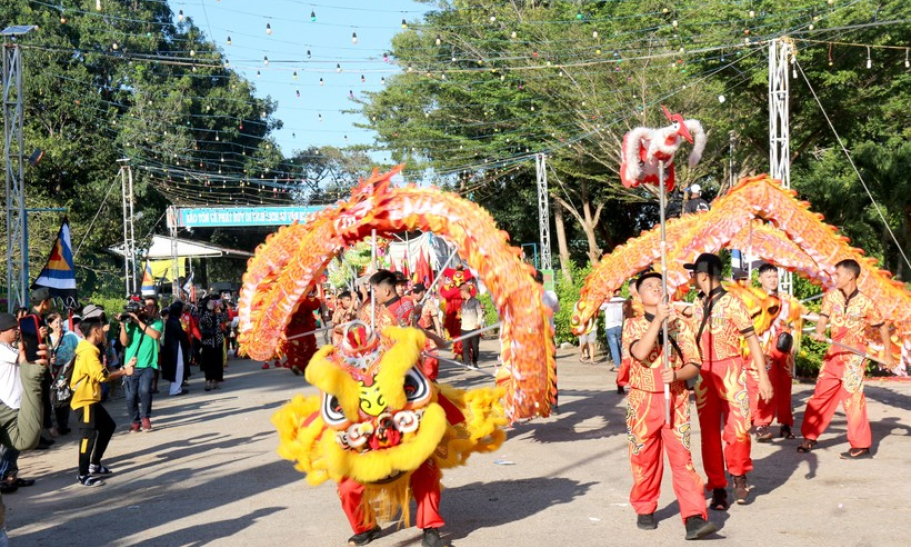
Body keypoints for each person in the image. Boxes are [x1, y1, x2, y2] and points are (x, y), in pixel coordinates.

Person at [622, 273, 717, 540]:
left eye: (659, 286)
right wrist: (659, 321)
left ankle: (695, 516)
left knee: (682, 460)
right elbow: (640, 353)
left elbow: (694, 364)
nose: (655, 289)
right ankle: (645, 507)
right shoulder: (632, 324)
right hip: (642, 401)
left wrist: (676, 375)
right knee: (644, 459)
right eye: (649, 287)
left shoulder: (682, 326)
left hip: (675, 400)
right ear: (639, 297)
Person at [685, 253, 772, 509]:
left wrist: (764, 377)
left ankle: (738, 474)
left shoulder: (734, 303)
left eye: (693, 275)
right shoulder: (697, 304)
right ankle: (718, 485)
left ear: (702, 276)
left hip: (731, 371)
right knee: (709, 433)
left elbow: (752, 339)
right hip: (703, 375)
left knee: (738, 428)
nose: (692, 280)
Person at [798, 259, 895, 459]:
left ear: (850, 276)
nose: (835, 278)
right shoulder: (831, 296)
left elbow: (883, 327)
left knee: (852, 401)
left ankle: (861, 446)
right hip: (833, 353)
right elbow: (823, 319)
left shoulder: (866, 302)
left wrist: (887, 356)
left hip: (854, 356)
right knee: (819, 396)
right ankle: (809, 435)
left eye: (838, 275)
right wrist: (818, 332)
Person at [0, 312, 48, 540]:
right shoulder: (3, 349)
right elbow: (21, 358)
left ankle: (7, 474)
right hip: (10, 404)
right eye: (12, 329)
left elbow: (25, 360)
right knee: (10, 451)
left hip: (11, 407)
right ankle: (6, 474)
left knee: (20, 444)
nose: (16, 331)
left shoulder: (10, 349)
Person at [71, 317, 135, 486]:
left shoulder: (88, 349)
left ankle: (94, 464)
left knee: (107, 426)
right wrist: (123, 372)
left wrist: (123, 368)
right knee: (88, 435)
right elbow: (102, 376)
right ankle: (83, 473)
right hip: (84, 399)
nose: (104, 331)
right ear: (95, 331)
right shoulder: (88, 351)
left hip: (90, 398)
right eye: (101, 328)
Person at [753, 264, 801, 441]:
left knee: (785, 387)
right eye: (768, 276)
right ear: (760, 279)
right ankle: (761, 424)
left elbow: (797, 319)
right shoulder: (755, 299)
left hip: (784, 346)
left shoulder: (787, 299)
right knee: (767, 386)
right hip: (766, 349)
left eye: (775, 276)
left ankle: (786, 424)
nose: (772, 279)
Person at [119, 295, 162, 432]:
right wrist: (123, 326)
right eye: (145, 305)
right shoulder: (129, 322)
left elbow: (155, 335)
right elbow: (124, 343)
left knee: (145, 391)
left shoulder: (156, 322)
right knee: (130, 396)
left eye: (150, 306)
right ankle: (134, 421)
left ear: (155, 309)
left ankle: (145, 417)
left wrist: (138, 321)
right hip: (130, 366)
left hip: (148, 364)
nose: (146, 308)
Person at [46, 312, 79, 436]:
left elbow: (79, 348)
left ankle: (63, 424)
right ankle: (61, 423)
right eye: (56, 322)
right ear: (50, 325)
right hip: (56, 371)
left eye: (60, 321)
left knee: (67, 394)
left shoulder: (70, 335)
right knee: (59, 395)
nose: (59, 324)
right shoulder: (48, 338)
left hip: (70, 368)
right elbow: (47, 353)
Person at [161, 301, 190, 396]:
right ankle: (175, 389)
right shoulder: (174, 321)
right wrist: (186, 341)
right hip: (176, 347)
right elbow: (180, 334)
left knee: (177, 367)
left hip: (173, 347)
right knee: (178, 367)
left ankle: (177, 387)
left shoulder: (171, 320)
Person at [199, 299, 225, 391]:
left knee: (217, 363)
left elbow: (225, 318)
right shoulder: (204, 316)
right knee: (208, 363)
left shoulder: (218, 315)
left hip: (218, 342)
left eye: (213, 303)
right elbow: (202, 326)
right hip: (208, 343)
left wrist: (222, 308)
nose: (212, 304)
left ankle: (216, 382)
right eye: (210, 303)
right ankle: (208, 382)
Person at [459, 284, 484, 368]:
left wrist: (478, 323)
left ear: (465, 291)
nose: (460, 294)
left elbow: (480, 314)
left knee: (475, 347)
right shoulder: (462, 303)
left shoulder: (475, 302)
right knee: (465, 348)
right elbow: (462, 314)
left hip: (474, 328)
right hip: (464, 328)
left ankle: (474, 361)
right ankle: (467, 363)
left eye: (461, 292)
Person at [601, 289, 626, 369]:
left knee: (614, 347)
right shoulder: (623, 300)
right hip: (620, 325)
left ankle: (618, 366)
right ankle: (624, 364)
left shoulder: (607, 301)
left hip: (610, 326)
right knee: (620, 345)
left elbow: (600, 308)